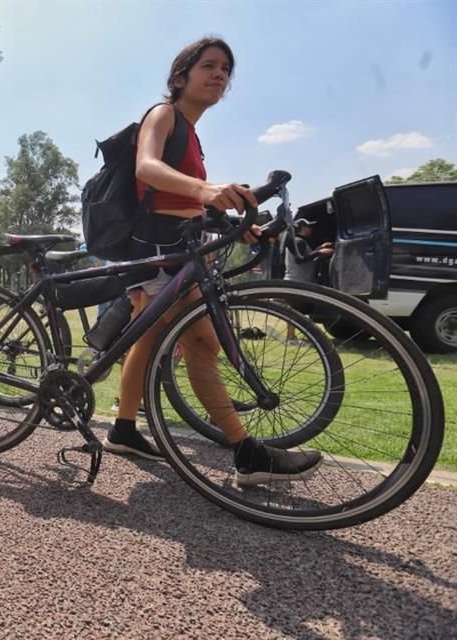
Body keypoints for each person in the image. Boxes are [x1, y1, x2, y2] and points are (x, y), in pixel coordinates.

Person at [102, 37, 322, 486]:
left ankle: (124, 429)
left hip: (177, 244)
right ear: (181, 76)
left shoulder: (193, 135)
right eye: (209, 65)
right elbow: (147, 168)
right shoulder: (163, 114)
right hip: (156, 246)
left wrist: (228, 221)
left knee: (149, 341)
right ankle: (246, 451)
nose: (220, 74)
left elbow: (185, 200)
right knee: (202, 342)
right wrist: (204, 189)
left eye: (226, 68)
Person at [284, 217, 333, 341]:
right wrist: (320, 252)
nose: (311, 228)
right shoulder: (299, 241)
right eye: (308, 226)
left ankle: (291, 337)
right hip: (297, 283)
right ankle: (299, 337)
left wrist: (319, 248)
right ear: (302, 229)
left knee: (295, 311)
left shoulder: (299, 242)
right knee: (301, 311)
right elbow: (299, 259)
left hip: (295, 283)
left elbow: (306, 257)